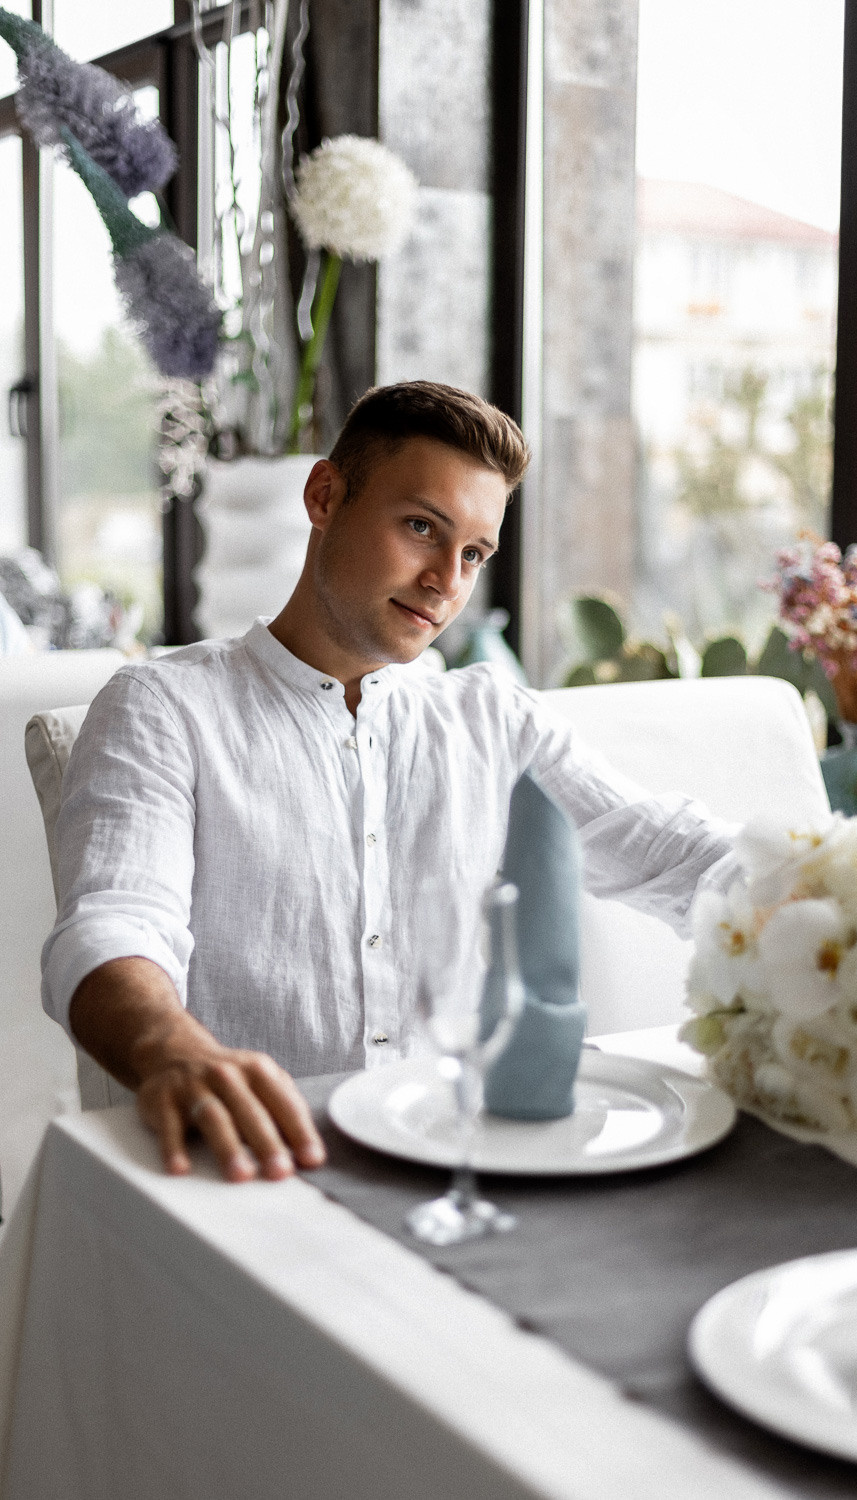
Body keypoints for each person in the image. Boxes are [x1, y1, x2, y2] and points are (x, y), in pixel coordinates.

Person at [42, 381, 735, 1185]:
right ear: (325, 496)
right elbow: (113, 927)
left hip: (458, 1167)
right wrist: (172, 1049)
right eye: (421, 528)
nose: (446, 579)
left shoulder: (493, 719)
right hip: (246, 1170)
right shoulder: (166, 707)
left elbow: (667, 852)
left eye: (474, 553)